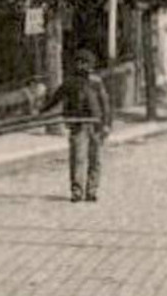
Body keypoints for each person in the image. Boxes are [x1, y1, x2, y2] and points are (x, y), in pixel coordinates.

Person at [38, 49, 113, 202]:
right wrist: (42, 111)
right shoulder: (70, 82)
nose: (82, 66)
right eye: (79, 62)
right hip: (78, 125)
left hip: (96, 126)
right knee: (78, 158)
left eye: (85, 63)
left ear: (91, 65)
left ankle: (91, 190)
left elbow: (105, 105)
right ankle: (77, 191)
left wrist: (107, 125)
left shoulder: (96, 82)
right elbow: (56, 98)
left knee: (95, 159)